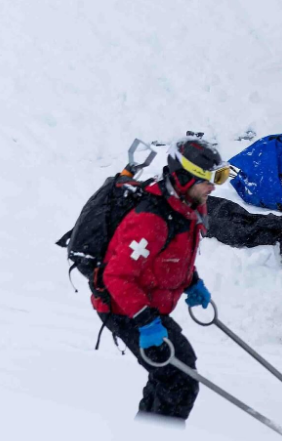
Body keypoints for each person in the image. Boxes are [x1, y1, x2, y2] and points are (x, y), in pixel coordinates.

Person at [95, 137, 234, 421]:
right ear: (183, 179)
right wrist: (146, 323)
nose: (214, 186)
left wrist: (191, 282)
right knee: (178, 380)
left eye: (218, 177)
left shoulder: (188, 207)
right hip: (123, 307)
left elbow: (169, 257)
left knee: (174, 375)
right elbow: (117, 276)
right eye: (207, 179)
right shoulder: (152, 220)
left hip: (146, 304)